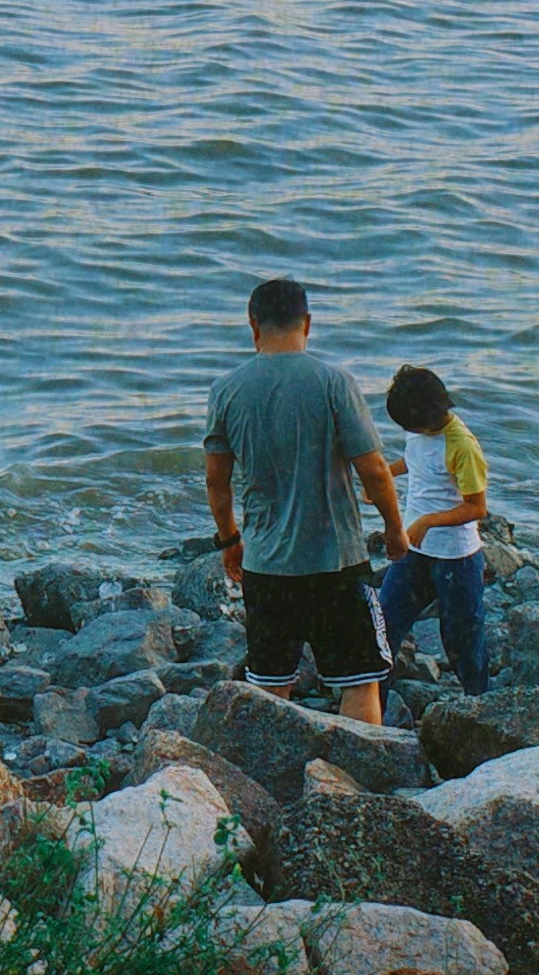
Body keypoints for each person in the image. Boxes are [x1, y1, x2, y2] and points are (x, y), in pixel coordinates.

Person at [201, 277, 404, 725]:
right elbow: (373, 469)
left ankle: (267, 783)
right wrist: (394, 528)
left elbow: (217, 481)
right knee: (359, 678)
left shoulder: (227, 390)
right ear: (307, 323)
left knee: (270, 682)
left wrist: (229, 540)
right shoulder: (335, 383)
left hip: (267, 564)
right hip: (336, 561)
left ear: (253, 326)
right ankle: (358, 773)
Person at [373, 364, 495, 696]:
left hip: (456, 558)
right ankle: (373, 702)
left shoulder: (463, 447)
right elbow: (414, 461)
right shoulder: (419, 431)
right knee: (384, 624)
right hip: (414, 551)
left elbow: (476, 508)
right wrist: (382, 476)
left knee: (461, 639)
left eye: (408, 424)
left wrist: (427, 521)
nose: (406, 429)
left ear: (427, 416)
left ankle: (479, 702)